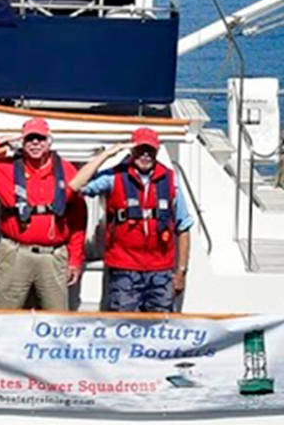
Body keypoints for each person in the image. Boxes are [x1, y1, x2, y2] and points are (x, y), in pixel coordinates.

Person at [0, 117, 85, 311]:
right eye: (29, 139)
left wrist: (75, 259)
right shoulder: (4, 168)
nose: (35, 143)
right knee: (4, 315)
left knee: (57, 316)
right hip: (15, 253)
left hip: (53, 256)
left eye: (40, 139)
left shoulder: (66, 170)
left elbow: (78, 219)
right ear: (22, 142)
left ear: (49, 142)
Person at [70, 127, 195, 313]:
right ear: (131, 150)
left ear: (157, 151)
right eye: (140, 149)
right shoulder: (113, 177)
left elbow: (183, 227)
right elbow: (76, 185)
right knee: (123, 325)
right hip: (123, 269)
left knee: (161, 327)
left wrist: (181, 271)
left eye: (150, 150)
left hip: (161, 270)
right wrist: (106, 155)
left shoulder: (170, 180)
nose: (145, 155)